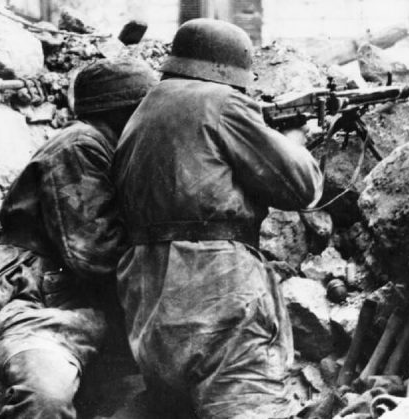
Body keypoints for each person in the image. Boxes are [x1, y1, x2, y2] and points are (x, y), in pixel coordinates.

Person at [113, 18, 324, 419]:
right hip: (216, 287)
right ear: (230, 71)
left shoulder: (145, 109)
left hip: (149, 298)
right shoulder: (223, 102)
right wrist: (294, 141)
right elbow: (302, 187)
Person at [0, 58, 159, 419]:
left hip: (79, 303)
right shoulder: (79, 144)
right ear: (126, 112)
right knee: (46, 394)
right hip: (33, 298)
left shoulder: (112, 151)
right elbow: (95, 252)